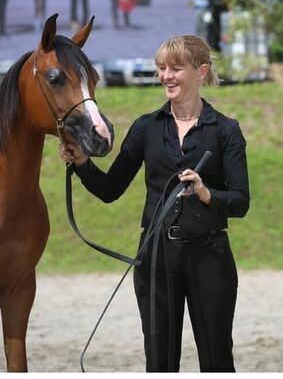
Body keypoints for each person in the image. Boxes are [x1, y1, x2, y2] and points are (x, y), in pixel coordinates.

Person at [60, 35, 250, 372]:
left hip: (210, 257)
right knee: (159, 362)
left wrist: (205, 192)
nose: (166, 76)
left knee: (217, 359)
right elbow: (110, 189)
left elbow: (240, 201)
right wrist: (82, 164)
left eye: (176, 68)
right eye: (162, 68)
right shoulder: (146, 128)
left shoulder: (225, 130)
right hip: (156, 259)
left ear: (201, 72)